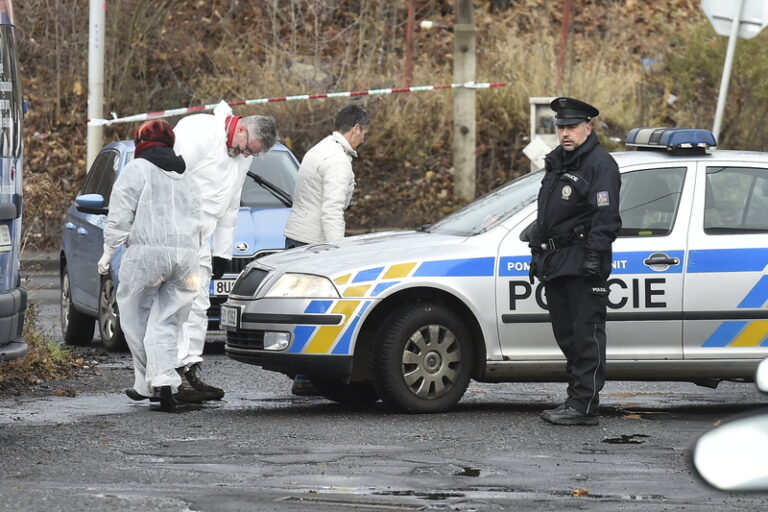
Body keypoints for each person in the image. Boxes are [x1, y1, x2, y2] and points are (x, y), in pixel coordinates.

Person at [173, 101, 277, 401]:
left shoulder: (242, 158)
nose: (247, 155)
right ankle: (168, 374)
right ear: (241, 128)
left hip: (202, 240)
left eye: (253, 153)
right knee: (175, 305)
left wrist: (223, 251)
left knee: (199, 304)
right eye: (248, 148)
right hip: (177, 232)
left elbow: (231, 205)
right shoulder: (201, 131)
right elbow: (170, 176)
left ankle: (190, 368)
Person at [98, 120, 205, 412]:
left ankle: (147, 381)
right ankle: (165, 380)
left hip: (145, 255)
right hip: (185, 257)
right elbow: (200, 220)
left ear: (140, 143)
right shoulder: (187, 176)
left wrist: (109, 250)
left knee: (134, 317)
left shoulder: (137, 169)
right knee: (168, 320)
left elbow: (120, 213)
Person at [528, 97, 621, 426]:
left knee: (586, 335)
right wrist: (537, 250)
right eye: (561, 127)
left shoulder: (600, 164)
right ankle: (576, 397)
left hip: (583, 263)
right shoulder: (558, 163)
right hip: (558, 262)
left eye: (572, 127)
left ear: (588, 128)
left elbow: (605, 216)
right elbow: (545, 214)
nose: (565, 133)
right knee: (567, 335)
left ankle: (584, 405)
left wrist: (594, 255)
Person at [282, 103, 370, 395]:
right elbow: (332, 210)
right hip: (315, 244)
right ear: (355, 128)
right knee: (315, 310)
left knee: (296, 308)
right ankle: (306, 378)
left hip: (296, 236)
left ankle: (300, 373)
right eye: (364, 133)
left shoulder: (318, 149)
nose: (363, 139)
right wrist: (338, 253)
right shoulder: (337, 160)